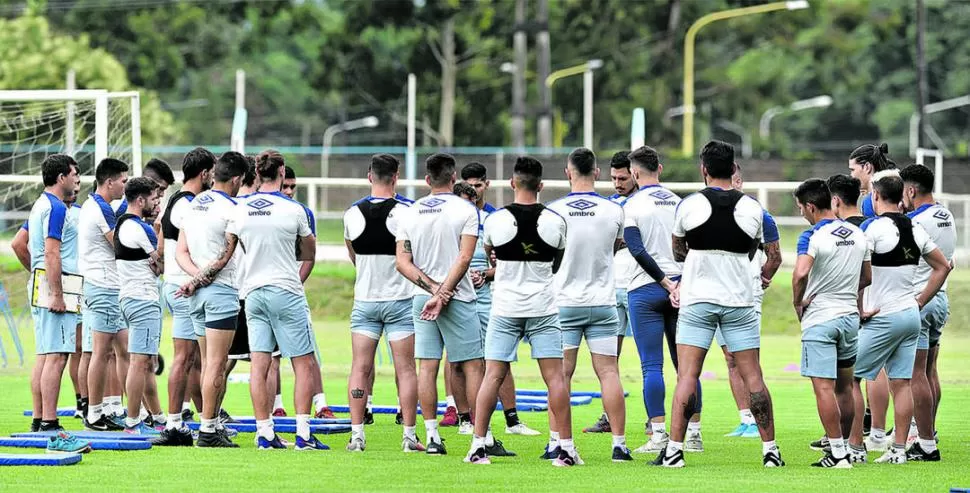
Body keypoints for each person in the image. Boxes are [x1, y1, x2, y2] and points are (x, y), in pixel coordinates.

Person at [188, 149, 328, 451]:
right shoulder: (294, 210)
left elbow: (224, 256)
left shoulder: (239, 210)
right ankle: (303, 434)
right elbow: (309, 254)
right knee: (303, 363)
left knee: (259, 365)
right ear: (281, 173)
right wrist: (295, 282)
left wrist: (194, 281)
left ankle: (264, 433)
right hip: (285, 290)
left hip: (251, 294)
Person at [657, 140, 781, 468]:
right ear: (733, 168)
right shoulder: (753, 208)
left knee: (687, 375)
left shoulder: (689, 205)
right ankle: (771, 451)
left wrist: (700, 259)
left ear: (704, 169)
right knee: (753, 376)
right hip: (740, 300)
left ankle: (674, 451)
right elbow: (768, 253)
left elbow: (677, 251)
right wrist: (760, 276)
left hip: (698, 299)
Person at [464, 156, 579, 467]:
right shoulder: (556, 221)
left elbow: (491, 257)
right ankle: (565, 449)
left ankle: (477, 446)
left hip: (505, 309)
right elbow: (557, 261)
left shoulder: (494, 221)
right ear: (540, 186)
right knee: (555, 378)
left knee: (492, 376)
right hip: (542, 308)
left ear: (512, 183)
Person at [394, 153, 492, 456]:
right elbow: (464, 257)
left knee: (427, 366)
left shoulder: (409, 212)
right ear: (454, 179)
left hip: (423, 297)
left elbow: (402, 262)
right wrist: (443, 292)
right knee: (474, 365)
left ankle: (432, 435)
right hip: (457, 297)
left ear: (426, 179)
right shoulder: (466, 209)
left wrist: (433, 291)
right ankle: (480, 438)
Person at [853, 169, 951, 464]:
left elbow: (861, 273)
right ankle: (898, 450)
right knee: (903, 382)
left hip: (882, 315)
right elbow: (944, 267)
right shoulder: (915, 228)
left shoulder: (873, 229)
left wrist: (858, 308)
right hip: (910, 314)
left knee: (849, 379)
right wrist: (920, 299)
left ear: (876, 196)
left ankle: (855, 448)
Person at [547, 148, 629, 461]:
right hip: (603, 302)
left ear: (568, 172)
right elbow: (617, 245)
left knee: (560, 375)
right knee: (608, 372)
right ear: (596, 172)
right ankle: (619, 445)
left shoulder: (554, 211)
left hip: (564, 302)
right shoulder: (614, 211)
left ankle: (556, 441)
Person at [344, 154, 423, 452]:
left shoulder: (351, 214)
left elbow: (353, 254)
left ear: (369, 177)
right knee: (405, 369)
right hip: (400, 301)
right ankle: (408, 436)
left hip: (365, 300)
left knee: (360, 367)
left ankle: (357, 436)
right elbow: (412, 256)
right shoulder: (407, 212)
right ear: (396, 177)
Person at [619, 146, 695, 454]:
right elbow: (692, 250)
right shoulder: (680, 203)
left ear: (635, 173)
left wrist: (663, 282)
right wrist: (678, 284)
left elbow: (636, 250)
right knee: (686, 368)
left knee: (652, 366)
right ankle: (693, 435)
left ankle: (660, 434)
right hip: (681, 289)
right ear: (660, 168)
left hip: (646, 289)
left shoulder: (633, 204)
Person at [791, 179, 870, 468]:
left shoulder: (811, 236)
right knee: (845, 388)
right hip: (849, 318)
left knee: (823, 388)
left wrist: (798, 302)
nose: (801, 213)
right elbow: (867, 278)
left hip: (821, 319)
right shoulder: (858, 233)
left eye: (801, 208)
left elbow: (800, 274)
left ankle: (837, 453)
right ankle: (846, 447)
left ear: (811, 206)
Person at [175, 151, 248, 448]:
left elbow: (181, 252)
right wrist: (203, 278)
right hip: (220, 293)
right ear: (238, 179)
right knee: (217, 365)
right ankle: (207, 430)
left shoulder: (192, 206)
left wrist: (194, 278)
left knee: (207, 364)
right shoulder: (233, 208)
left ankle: (211, 425)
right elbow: (226, 254)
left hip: (196, 293)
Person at [459, 162, 537, 436]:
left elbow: (510, 261)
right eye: (468, 186)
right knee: (458, 358)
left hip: (491, 297)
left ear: (487, 185)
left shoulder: (499, 219)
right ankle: (463, 418)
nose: (473, 191)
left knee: (499, 358)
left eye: (477, 185)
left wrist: (489, 274)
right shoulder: (455, 217)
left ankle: (512, 419)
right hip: (458, 293)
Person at [26, 154, 90, 453]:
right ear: (61, 177)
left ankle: (40, 419)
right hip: (57, 284)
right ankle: (51, 423)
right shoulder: (55, 208)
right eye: (75, 174)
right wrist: (58, 294)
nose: (78, 179)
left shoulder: (41, 203)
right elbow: (52, 253)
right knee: (58, 356)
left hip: (44, 282)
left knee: (45, 354)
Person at [152, 148, 214, 446]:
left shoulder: (176, 200)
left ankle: (202, 418)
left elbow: (162, 241)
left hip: (175, 283)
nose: (215, 179)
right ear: (203, 174)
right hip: (184, 286)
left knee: (192, 358)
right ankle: (180, 423)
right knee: (186, 357)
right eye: (212, 173)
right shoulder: (189, 204)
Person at [719, 165, 782, 439]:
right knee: (730, 358)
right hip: (718, 291)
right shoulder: (711, 211)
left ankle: (760, 422)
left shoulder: (758, 213)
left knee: (747, 358)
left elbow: (775, 255)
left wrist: (763, 278)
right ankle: (745, 419)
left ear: (740, 181)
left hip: (747, 293)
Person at [899, 164, 955, 461]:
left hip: (921, 297)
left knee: (915, 374)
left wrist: (917, 300)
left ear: (910, 190)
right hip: (941, 298)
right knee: (931, 371)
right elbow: (949, 262)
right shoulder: (946, 214)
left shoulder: (914, 221)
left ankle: (926, 443)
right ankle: (928, 433)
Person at [585, 150, 638, 435]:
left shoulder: (645, 204)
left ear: (636, 174)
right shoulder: (607, 206)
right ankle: (608, 417)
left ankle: (655, 421)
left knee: (648, 359)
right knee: (609, 359)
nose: (618, 183)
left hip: (640, 288)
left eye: (623, 178)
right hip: (610, 289)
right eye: (614, 178)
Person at [78, 158, 130, 432]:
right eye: (123, 180)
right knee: (100, 352)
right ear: (109, 182)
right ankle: (95, 413)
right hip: (103, 287)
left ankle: (111, 407)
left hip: (107, 287)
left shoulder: (96, 206)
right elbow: (121, 246)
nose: (125, 184)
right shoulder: (99, 209)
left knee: (119, 350)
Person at [114, 177, 164, 434]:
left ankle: (158, 417)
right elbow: (162, 264)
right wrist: (163, 230)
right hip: (142, 299)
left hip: (131, 298)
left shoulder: (121, 222)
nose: (157, 203)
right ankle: (133, 420)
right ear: (141, 200)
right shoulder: (139, 228)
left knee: (145, 363)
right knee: (139, 362)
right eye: (154, 199)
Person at [847, 143, 896, 219]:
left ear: (867, 167)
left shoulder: (870, 201)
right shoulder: (895, 193)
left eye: (852, 170)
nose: (851, 175)